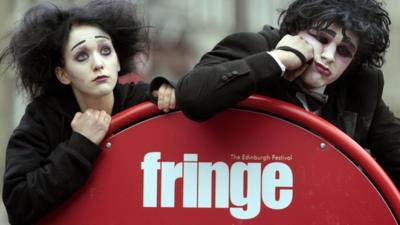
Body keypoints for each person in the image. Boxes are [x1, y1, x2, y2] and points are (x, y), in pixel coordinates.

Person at [176, 0, 400, 189]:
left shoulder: (361, 86)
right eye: (321, 38)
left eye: (344, 51)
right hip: (240, 193)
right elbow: (192, 96)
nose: (329, 55)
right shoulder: (254, 47)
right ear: (296, 31)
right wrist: (278, 60)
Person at [0, 1, 175, 224]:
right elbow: (18, 202)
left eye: (105, 50)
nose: (98, 63)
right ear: (63, 74)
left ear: (118, 61)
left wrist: (173, 89)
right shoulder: (42, 119)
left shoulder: (144, 99)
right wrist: (80, 145)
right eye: (82, 56)